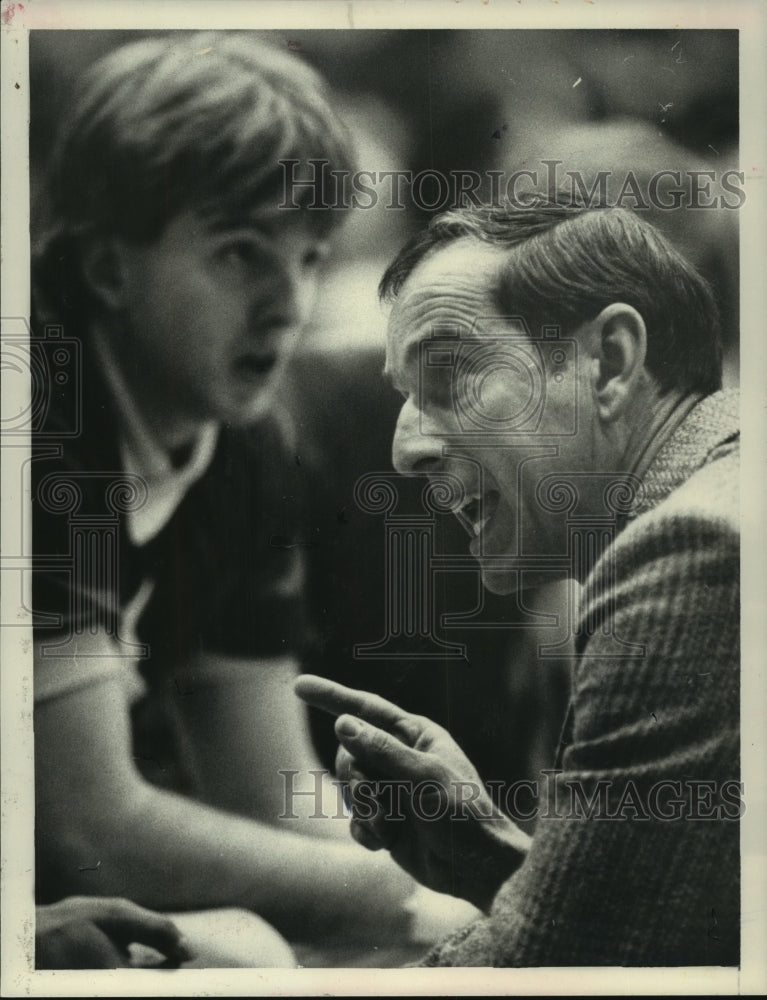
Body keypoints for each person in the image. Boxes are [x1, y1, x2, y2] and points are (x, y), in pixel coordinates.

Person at [31, 31, 475, 966]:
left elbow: (264, 789)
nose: (288, 305)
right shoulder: (38, 406)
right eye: (240, 255)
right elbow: (89, 826)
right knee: (250, 950)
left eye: (310, 257)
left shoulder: (243, 442)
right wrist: (421, 896)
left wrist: (446, 890)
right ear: (109, 268)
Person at [296, 196, 740, 966]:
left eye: (449, 374)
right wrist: (497, 861)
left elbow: (553, 965)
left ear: (609, 362)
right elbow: (658, 943)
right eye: (403, 393)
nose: (405, 449)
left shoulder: (687, 551)